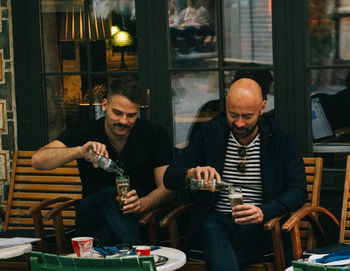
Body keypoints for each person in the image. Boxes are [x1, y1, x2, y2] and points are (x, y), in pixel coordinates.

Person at [163, 78, 307, 270]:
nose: (239, 123)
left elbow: (298, 191)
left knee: (226, 240)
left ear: (262, 108)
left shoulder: (280, 138)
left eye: (247, 116)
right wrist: (190, 173)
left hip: (260, 224)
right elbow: (170, 177)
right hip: (217, 222)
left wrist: (264, 211)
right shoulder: (210, 133)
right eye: (233, 115)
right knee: (211, 226)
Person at [31, 76, 175, 246]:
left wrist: (142, 204)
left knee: (111, 232)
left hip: (139, 219)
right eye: (117, 113)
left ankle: (123, 253)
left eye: (131, 115)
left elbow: (168, 187)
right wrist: (80, 151)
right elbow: (38, 160)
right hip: (92, 218)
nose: (123, 121)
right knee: (109, 193)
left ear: (138, 111)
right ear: (105, 105)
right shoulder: (87, 131)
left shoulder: (154, 135)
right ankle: (132, 256)